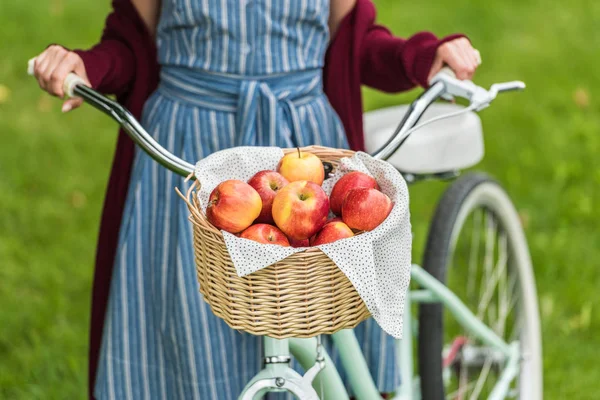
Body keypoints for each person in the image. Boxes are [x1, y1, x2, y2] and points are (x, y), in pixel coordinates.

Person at [32, 0, 480, 398]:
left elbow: (356, 43)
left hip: (302, 150)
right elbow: (131, 44)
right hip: (194, 160)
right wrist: (86, 66)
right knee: (191, 317)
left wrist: (422, 58)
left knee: (309, 313)